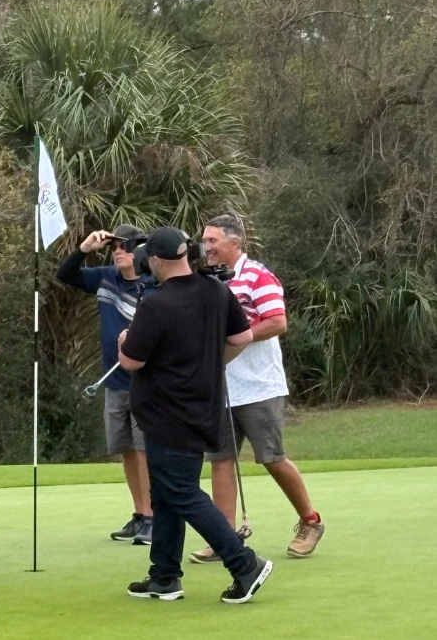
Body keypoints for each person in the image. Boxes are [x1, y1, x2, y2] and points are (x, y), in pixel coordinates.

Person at [119, 227, 272, 604]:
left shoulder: (155, 304)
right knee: (167, 493)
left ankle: (244, 562)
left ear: (154, 261)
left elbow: (130, 360)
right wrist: (206, 365)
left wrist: (125, 338)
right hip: (201, 404)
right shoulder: (216, 291)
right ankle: (164, 575)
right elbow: (241, 338)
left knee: (181, 491)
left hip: (166, 411)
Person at [189, 215, 324, 563]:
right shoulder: (207, 281)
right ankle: (225, 538)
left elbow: (277, 321)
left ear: (234, 242)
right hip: (221, 388)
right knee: (220, 460)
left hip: (259, 387)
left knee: (271, 458)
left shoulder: (258, 276)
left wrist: (239, 335)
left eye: (213, 240)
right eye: (204, 241)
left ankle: (310, 521)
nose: (207, 247)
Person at [57, 224, 154, 544]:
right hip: (114, 382)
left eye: (125, 246)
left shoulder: (154, 286)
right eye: (115, 247)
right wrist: (84, 250)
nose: (118, 252)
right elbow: (66, 274)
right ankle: (140, 514)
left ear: (141, 251)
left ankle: (154, 517)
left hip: (147, 383)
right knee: (125, 449)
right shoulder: (105, 279)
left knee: (143, 451)